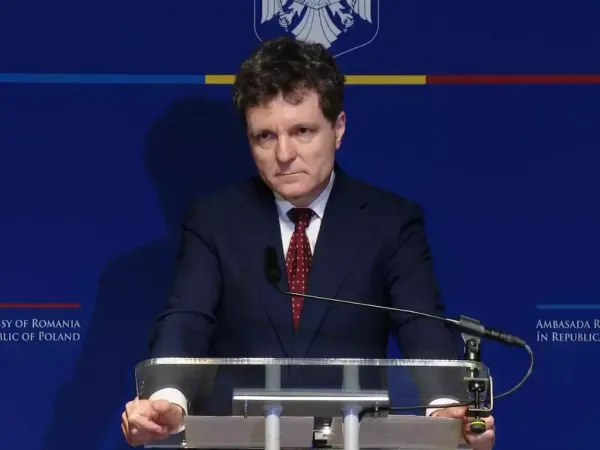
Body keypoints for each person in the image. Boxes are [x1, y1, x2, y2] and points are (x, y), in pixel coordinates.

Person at [121, 37, 495, 449]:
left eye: (302, 131)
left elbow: (419, 323)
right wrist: (166, 401)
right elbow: (187, 320)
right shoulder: (213, 220)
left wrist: (446, 410)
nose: (284, 154)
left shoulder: (391, 222)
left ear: (338, 129)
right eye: (265, 136)